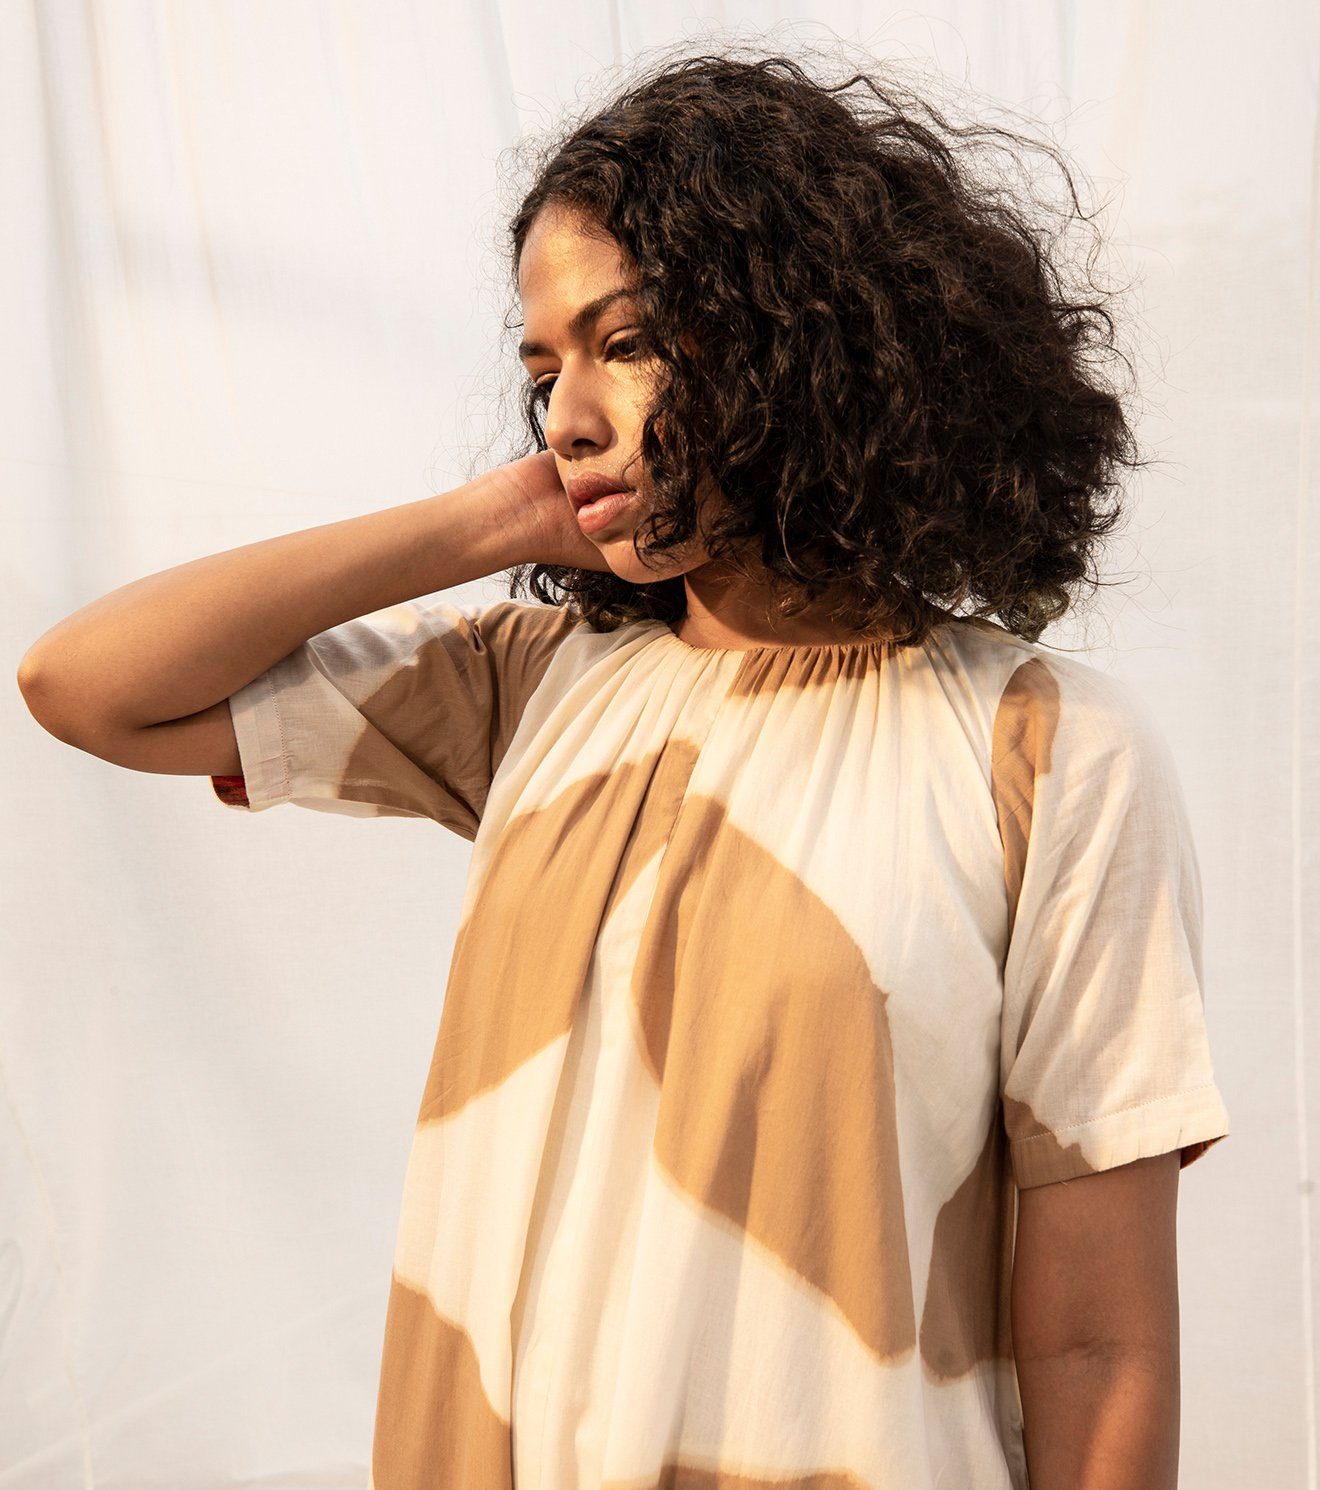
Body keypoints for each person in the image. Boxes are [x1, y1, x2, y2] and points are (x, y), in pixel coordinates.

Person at [18, 46, 1230, 1490]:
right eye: (544, 372)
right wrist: (494, 522)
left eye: (631, 341)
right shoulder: (531, 685)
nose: (569, 416)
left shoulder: (1043, 751)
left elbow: (1100, 1345)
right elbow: (85, 685)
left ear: (811, 338)